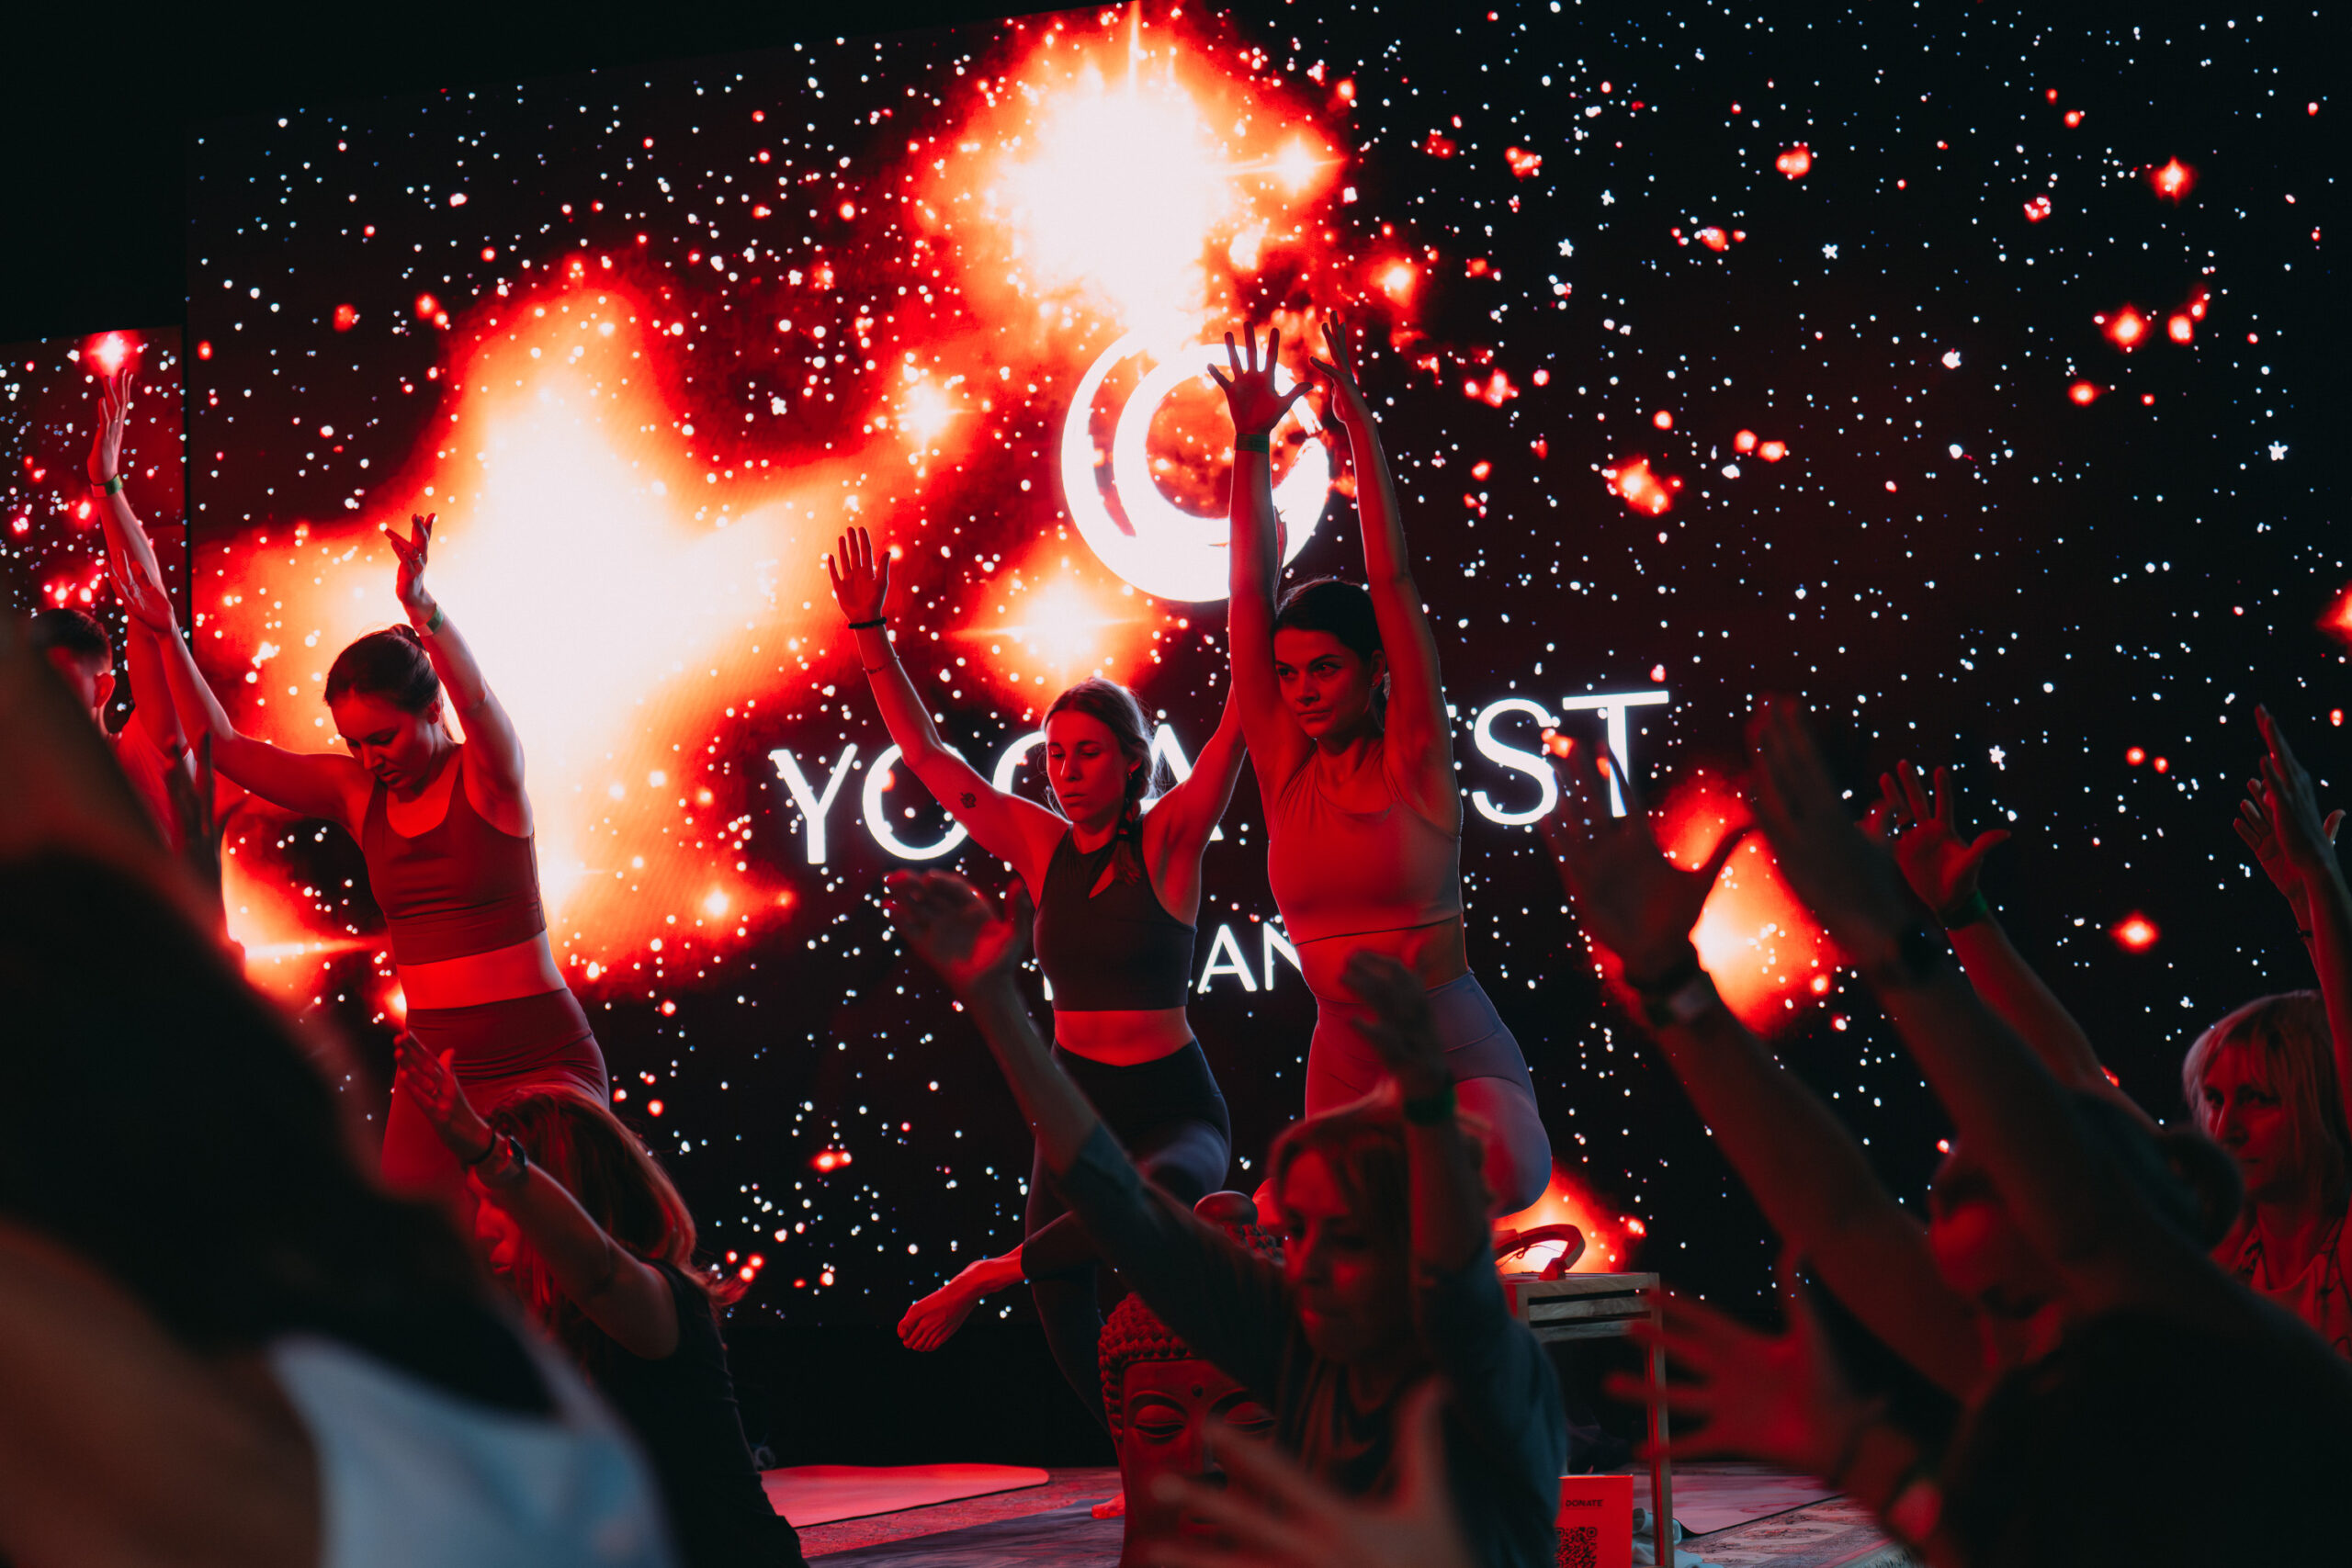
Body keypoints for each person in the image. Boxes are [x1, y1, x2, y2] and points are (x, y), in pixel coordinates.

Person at [1541, 703, 2352, 1565]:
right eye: (1978, 1305)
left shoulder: (2229, 1347)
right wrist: (1671, 985)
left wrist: (1897, 945)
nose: (1988, 1342)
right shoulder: (2053, 1383)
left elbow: (2062, 1102)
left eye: (2019, 1301)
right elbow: (1844, 1220)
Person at [885, 867, 1566, 1568]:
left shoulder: (1478, 1362)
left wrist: (1425, 1099)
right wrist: (998, 1005)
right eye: (1297, 1231)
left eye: (1347, 1237)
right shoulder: (1295, 1341)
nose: (1310, 1262)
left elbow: (1453, 1275)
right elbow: (1117, 1202)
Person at [826, 524, 1244, 1415]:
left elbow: (1239, 722)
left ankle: (988, 1276)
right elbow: (931, 759)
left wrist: (1256, 574)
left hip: (1173, 1104)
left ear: (1132, 761)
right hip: (1076, 1101)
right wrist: (869, 632)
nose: (1066, 771)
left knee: (1149, 1213)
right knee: (1060, 1299)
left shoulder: (1170, 839)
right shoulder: (1040, 843)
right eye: (1055, 753)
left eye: (1088, 751)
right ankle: (1141, 1452)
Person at [113, 511, 606, 1202]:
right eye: (354, 743)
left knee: (551, 1252)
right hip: (436, 1064)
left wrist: (423, 610)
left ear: (431, 710)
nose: (370, 758)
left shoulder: (490, 777)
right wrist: (167, 636)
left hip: (539, 1055)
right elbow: (223, 746)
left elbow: (476, 699)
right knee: (417, 1255)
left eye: (384, 737)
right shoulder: (356, 793)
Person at [1213, 318, 1549, 1212]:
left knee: (1505, 1173)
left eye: (1324, 669)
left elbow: (1393, 586)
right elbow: (1247, 593)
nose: (1302, 691)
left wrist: (1357, 431)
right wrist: (1251, 444)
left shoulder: (1417, 764)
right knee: (1285, 1217)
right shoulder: (1285, 769)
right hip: (1346, 1064)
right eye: (1288, 674)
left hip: (1453, 1052)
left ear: (1373, 671)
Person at [396, 1045, 807, 1568]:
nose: (482, 1228)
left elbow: (599, 1275)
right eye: (480, 1201)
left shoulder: (664, 1301)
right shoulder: (532, 1332)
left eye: (497, 1202)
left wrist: (491, 1154)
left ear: (571, 1195)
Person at [2187, 705, 2352, 1353]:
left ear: (2322, 1100)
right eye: (2215, 1098)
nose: (2223, 1128)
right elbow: (2076, 1075)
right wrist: (1960, 918)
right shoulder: (2217, 1253)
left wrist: (2319, 880)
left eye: (2257, 1098)